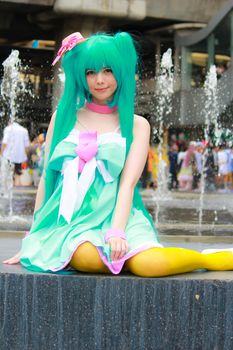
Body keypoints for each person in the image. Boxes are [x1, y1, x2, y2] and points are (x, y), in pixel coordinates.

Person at [3, 32, 233, 276]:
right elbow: (48, 180)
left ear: (120, 72)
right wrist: (34, 237)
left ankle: (214, 259)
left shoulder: (137, 125)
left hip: (119, 216)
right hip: (71, 223)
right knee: (85, 258)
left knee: (150, 266)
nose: (99, 80)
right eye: (90, 72)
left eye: (108, 71)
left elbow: (128, 184)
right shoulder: (62, 118)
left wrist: (116, 231)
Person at [0, 120, 30, 189]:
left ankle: (7, 190)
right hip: (20, 157)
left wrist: (1, 154)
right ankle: (17, 190)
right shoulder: (24, 130)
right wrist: (26, 157)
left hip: (8, 156)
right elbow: (27, 146)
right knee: (18, 174)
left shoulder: (8, 129)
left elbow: (5, 142)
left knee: (8, 174)